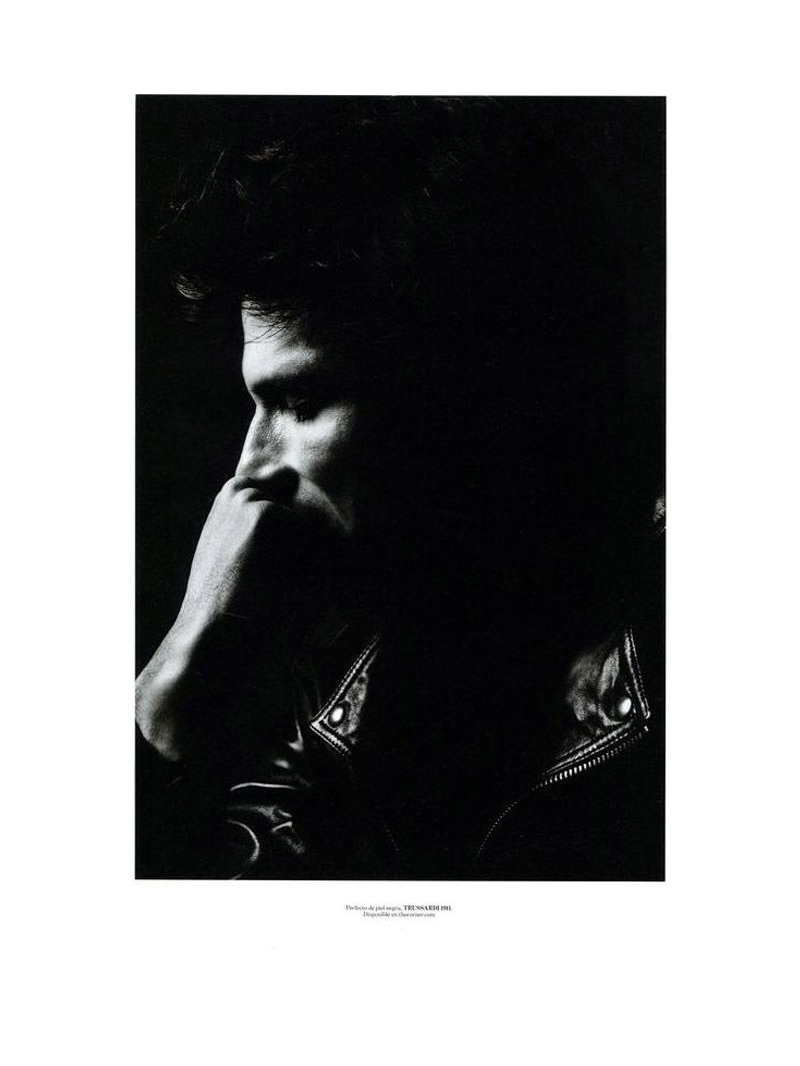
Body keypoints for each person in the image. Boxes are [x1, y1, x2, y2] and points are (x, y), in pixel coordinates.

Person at [136, 96, 665, 880]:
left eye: (301, 402)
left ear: (465, 392)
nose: (251, 466)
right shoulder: (352, 635)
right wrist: (180, 671)